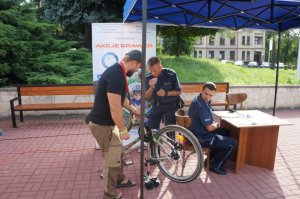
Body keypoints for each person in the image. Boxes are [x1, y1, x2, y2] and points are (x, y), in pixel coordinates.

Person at [87, 50, 142, 199]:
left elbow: (121, 99)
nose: (137, 70)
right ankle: (109, 195)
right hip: (102, 124)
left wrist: (133, 109)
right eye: (138, 67)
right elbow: (115, 107)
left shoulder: (119, 72)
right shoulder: (116, 75)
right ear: (133, 63)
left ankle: (119, 179)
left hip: (107, 123)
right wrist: (123, 130)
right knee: (112, 159)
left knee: (119, 152)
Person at [188, 82, 237, 175]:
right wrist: (216, 124)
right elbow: (210, 128)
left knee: (225, 132)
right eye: (206, 94)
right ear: (201, 90)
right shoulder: (201, 105)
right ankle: (215, 165)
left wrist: (215, 125)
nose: (208, 97)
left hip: (197, 132)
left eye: (211, 95)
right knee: (232, 143)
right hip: (201, 137)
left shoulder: (199, 99)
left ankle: (209, 160)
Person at [145, 57, 181, 130]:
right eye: (151, 71)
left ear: (160, 67)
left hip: (170, 105)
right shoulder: (148, 78)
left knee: (170, 130)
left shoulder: (171, 74)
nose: (153, 73)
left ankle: (170, 141)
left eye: (155, 71)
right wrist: (151, 88)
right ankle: (154, 141)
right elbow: (146, 96)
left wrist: (166, 93)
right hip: (157, 104)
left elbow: (178, 91)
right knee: (151, 128)